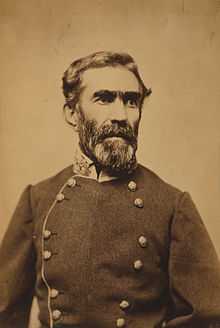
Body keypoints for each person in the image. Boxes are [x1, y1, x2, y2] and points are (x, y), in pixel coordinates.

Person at [0, 51, 220, 328]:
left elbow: (207, 317)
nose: (120, 115)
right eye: (104, 99)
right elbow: (5, 313)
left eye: (131, 101)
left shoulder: (172, 205)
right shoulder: (38, 199)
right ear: (72, 114)